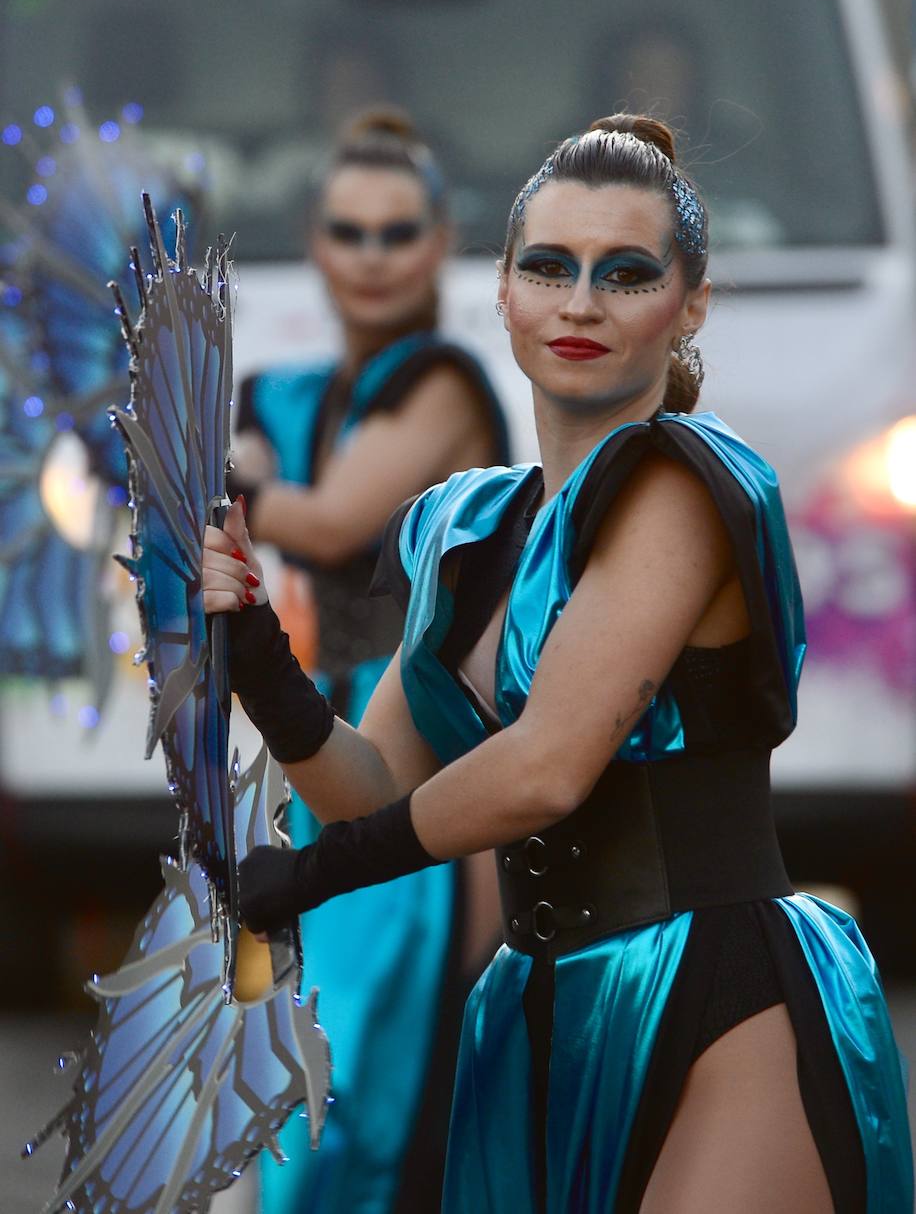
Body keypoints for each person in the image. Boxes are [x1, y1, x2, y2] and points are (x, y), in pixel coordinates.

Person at [207, 115, 913, 1212]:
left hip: (722, 1003)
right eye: (549, 265)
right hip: (534, 1012)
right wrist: (258, 657)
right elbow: (369, 786)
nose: (579, 303)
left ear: (689, 306)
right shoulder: (468, 533)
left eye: (625, 274)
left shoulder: (684, 484)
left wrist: (317, 873)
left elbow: (544, 770)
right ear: (501, 290)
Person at [230, 108, 510, 1214]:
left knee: (360, 1078)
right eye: (350, 231)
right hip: (309, 746)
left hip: (414, 747)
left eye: (398, 232)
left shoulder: (441, 382)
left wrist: (219, 471)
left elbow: (336, 522)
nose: (373, 256)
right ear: (315, 240)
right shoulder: (299, 395)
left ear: (440, 243)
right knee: (290, 1063)